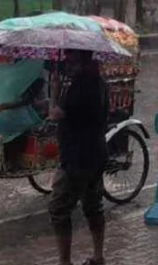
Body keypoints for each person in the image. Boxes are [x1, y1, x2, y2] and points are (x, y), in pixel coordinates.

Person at [48, 50, 108, 265]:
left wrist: (54, 92)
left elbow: (56, 114)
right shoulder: (99, 82)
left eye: (70, 56)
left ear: (80, 58)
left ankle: (65, 261)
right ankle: (98, 256)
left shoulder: (81, 85)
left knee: (58, 208)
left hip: (77, 157)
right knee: (93, 204)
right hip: (96, 152)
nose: (66, 60)